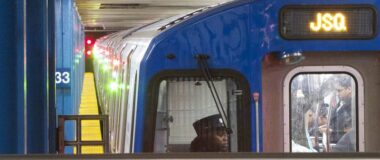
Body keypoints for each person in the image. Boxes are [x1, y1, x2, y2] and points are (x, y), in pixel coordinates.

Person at [329, 76, 353, 143]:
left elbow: (349, 130)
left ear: (349, 89)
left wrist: (332, 131)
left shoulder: (353, 107)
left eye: (339, 90)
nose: (337, 94)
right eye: (336, 91)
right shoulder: (340, 104)